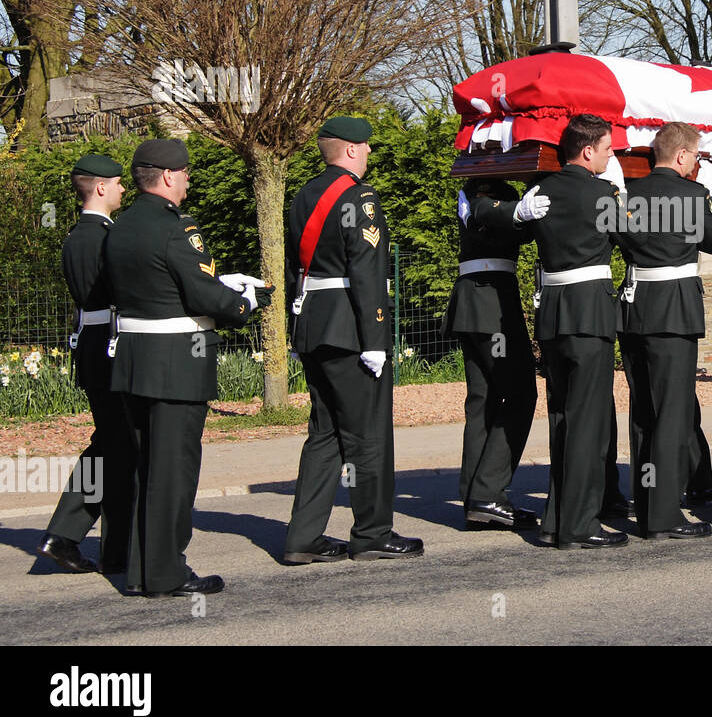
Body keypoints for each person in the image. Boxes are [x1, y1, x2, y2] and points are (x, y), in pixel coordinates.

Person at [105, 139, 265, 596]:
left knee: (147, 468)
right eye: (187, 173)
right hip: (177, 360)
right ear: (170, 176)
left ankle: (140, 571)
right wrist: (244, 302)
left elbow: (157, 283)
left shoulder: (121, 225)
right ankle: (166, 572)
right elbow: (200, 294)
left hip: (135, 358)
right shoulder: (178, 227)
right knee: (173, 471)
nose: (190, 180)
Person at [284, 117, 422, 563]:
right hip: (349, 329)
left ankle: (303, 537)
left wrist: (295, 324)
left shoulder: (303, 195)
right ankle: (373, 532)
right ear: (349, 150)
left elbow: (295, 269)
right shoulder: (359, 197)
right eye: (364, 147)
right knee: (368, 435)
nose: (368, 154)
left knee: (324, 434)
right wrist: (376, 337)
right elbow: (367, 272)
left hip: (314, 325)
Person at [616, 122, 712, 540]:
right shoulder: (694, 196)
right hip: (673, 310)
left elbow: (618, 237)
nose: (697, 163)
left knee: (643, 411)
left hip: (634, 307)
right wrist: (709, 200)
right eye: (696, 156)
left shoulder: (627, 195)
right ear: (682, 156)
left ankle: (646, 504)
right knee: (672, 412)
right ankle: (663, 515)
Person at [523, 114, 630, 549]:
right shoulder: (602, 194)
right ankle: (580, 524)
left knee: (562, 418)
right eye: (608, 148)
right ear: (588, 151)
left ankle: (556, 518)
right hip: (588, 313)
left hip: (553, 313)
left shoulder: (541, 192)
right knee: (588, 422)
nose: (612, 155)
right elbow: (635, 240)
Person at [37, 155, 134, 576]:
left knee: (114, 443)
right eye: (117, 183)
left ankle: (110, 547)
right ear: (99, 188)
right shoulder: (106, 237)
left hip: (91, 342)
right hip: (112, 344)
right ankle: (67, 534)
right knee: (119, 443)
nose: (123, 190)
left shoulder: (77, 234)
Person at [447, 178, 550, 531]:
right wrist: (518, 210)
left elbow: (518, 231)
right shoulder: (482, 191)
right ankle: (487, 493)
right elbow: (484, 213)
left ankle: (477, 498)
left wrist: (523, 215)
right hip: (490, 305)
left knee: (484, 399)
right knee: (520, 393)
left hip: (476, 301)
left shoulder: (490, 189)